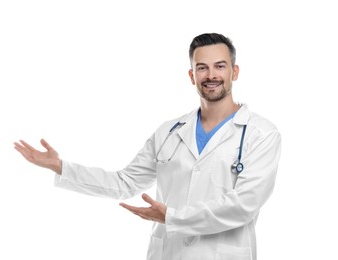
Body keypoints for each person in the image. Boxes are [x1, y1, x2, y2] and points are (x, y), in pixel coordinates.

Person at [14, 33, 281, 260]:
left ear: (234, 72)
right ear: (191, 75)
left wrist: (173, 218)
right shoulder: (169, 132)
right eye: (202, 67)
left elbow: (245, 204)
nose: (211, 75)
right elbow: (124, 182)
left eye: (220, 66)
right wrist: (61, 167)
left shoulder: (261, 134)